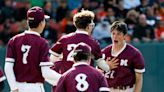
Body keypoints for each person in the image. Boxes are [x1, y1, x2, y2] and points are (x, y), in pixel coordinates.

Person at [49, 10, 110, 91]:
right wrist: (108, 68)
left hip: (67, 80)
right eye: (92, 25)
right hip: (87, 81)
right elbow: (101, 63)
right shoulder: (92, 42)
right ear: (88, 26)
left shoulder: (65, 39)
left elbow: (52, 60)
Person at [4, 6, 61, 92]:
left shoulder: (14, 40)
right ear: (42, 23)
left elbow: (8, 67)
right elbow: (46, 73)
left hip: (18, 86)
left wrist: (13, 87)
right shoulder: (42, 42)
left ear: (28, 22)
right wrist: (64, 78)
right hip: (35, 87)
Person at [102, 21, 145, 92]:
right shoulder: (104, 52)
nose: (115, 37)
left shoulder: (134, 54)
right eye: (113, 33)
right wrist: (106, 67)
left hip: (126, 89)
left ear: (125, 36)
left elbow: (139, 79)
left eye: (118, 34)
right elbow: (97, 75)